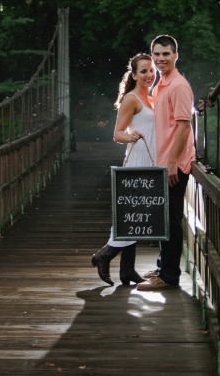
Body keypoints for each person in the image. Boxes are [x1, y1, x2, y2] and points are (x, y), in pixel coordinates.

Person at [91, 53, 155, 286]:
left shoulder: (152, 98)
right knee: (131, 213)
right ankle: (104, 255)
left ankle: (127, 270)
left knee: (137, 216)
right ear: (135, 75)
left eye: (151, 70)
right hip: (137, 159)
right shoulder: (132, 98)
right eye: (144, 71)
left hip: (151, 160)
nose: (149, 75)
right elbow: (117, 134)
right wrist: (131, 136)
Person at [137, 34, 196, 291]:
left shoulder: (178, 86)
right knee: (164, 217)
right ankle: (163, 267)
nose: (161, 59)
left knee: (171, 220)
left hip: (175, 164)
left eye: (166, 54)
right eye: (157, 55)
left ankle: (169, 276)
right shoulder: (161, 85)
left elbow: (184, 127)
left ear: (175, 56)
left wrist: (172, 162)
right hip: (163, 162)